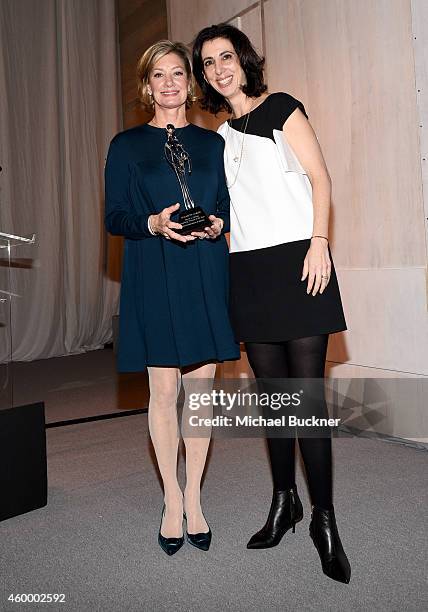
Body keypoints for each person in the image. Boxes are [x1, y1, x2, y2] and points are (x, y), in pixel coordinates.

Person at [192, 24, 351, 583]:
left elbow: (320, 176)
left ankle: (325, 520)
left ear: (244, 60)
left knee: (305, 399)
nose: (219, 69)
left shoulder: (280, 107)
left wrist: (320, 243)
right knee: (273, 401)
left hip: (299, 260)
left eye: (226, 57)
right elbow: (237, 208)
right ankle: (285, 502)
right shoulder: (221, 135)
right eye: (208, 63)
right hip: (249, 270)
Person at [104, 40, 240, 556]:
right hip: (152, 271)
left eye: (177, 73)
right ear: (148, 85)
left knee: (199, 397)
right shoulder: (125, 145)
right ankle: (171, 500)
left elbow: (226, 205)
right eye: (158, 75)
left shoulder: (213, 145)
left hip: (205, 271)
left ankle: (196, 497)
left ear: (190, 82)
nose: (168, 83)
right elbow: (115, 217)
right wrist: (153, 223)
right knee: (163, 395)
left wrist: (216, 225)